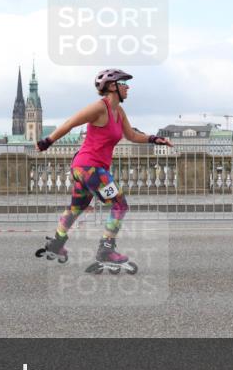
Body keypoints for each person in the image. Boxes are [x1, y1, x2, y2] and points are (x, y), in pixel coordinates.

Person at [35, 68, 172, 268]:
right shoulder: (100, 108)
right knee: (120, 205)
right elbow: (71, 122)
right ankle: (106, 250)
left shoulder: (119, 112)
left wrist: (154, 139)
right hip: (91, 168)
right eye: (123, 83)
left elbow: (132, 136)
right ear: (112, 86)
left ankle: (57, 243)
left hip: (84, 169)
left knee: (77, 207)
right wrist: (47, 141)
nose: (128, 87)